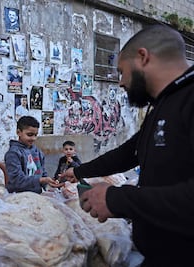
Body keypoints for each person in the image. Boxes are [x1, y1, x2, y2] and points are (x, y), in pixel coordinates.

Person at [59, 25, 194, 266]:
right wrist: (79, 171)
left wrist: (117, 199)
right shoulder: (163, 104)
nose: (120, 83)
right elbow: (129, 153)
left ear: (143, 57)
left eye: (122, 72)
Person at [5, 115, 59, 194]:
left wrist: (49, 184)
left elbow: (42, 173)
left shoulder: (37, 151)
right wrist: (41, 180)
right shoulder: (13, 153)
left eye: (35, 135)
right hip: (18, 195)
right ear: (18, 132)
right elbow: (16, 181)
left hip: (37, 193)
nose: (33, 138)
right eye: (29, 135)